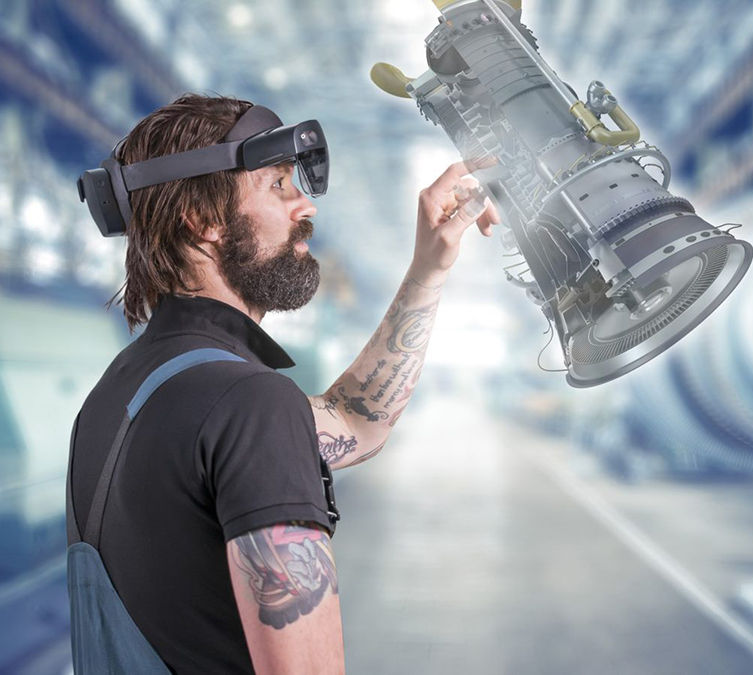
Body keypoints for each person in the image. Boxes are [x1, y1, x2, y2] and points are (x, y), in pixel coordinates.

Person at [67, 93, 500, 674]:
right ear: (202, 221)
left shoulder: (120, 395)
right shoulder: (247, 404)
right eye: (277, 185)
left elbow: (353, 421)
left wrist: (431, 266)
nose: (307, 208)